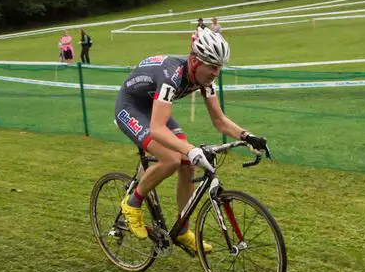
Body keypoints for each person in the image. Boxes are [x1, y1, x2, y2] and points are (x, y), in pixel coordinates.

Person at [113, 27, 268, 253]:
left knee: (187, 163)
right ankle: (132, 202)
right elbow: (157, 128)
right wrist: (192, 150)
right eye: (212, 67)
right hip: (132, 107)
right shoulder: (171, 75)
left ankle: (182, 229)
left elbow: (220, 120)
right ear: (196, 62)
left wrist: (247, 136)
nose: (217, 72)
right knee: (171, 159)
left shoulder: (205, 80)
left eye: (220, 67)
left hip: (154, 107)